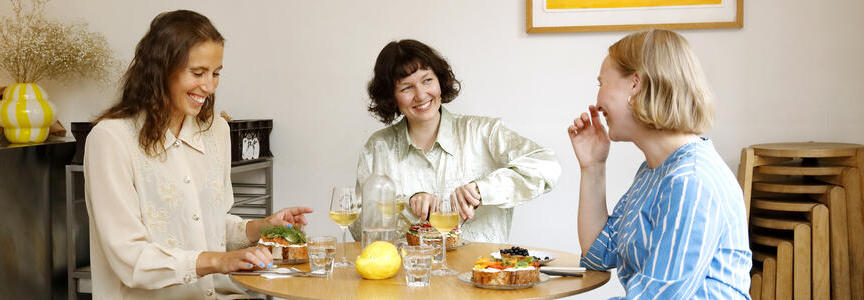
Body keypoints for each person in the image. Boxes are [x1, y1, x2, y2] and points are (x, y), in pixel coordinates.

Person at [84, 10, 311, 299]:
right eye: (198, 72)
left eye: (216, 73)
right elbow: (130, 258)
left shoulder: (215, 130)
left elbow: (211, 225)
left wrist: (261, 228)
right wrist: (217, 261)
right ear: (161, 69)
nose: (209, 86)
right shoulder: (111, 140)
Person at [568, 29, 751, 299]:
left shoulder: (691, 180)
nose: (597, 101)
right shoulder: (654, 171)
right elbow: (598, 253)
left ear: (635, 84)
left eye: (602, 84)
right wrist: (592, 167)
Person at [351, 39, 561, 243]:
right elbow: (359, 229)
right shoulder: (378, 147)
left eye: (427, 80)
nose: (421, 95)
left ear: (440, 80)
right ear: (391, 97)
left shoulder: (484, 132)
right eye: (406, 88)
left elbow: (547, 165)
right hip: (408, 275)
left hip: (483, 273)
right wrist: (407, 203)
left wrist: (483, 190)